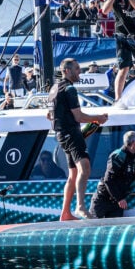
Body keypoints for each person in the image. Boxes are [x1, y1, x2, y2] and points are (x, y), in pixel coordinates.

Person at [48, 58, 109, 220]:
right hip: (71, 132)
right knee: (85, 167)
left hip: (61, 134)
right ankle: (80, 206)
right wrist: (98, 118)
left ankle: (65, 213)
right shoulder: (69, 89)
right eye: (76, 69)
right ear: (66, 71)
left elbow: (49, 115)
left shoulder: (55, 88)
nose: (80, 72)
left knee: (73, 173)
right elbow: (79, 116)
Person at [90, 131, 135, 218]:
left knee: (115, 228)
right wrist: (119, 198)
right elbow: (108, 179)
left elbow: (127, 171)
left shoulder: (132, 157)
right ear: (133, 143)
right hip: (103, 200)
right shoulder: (118, 156)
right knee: (94, 227)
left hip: (117, 203)